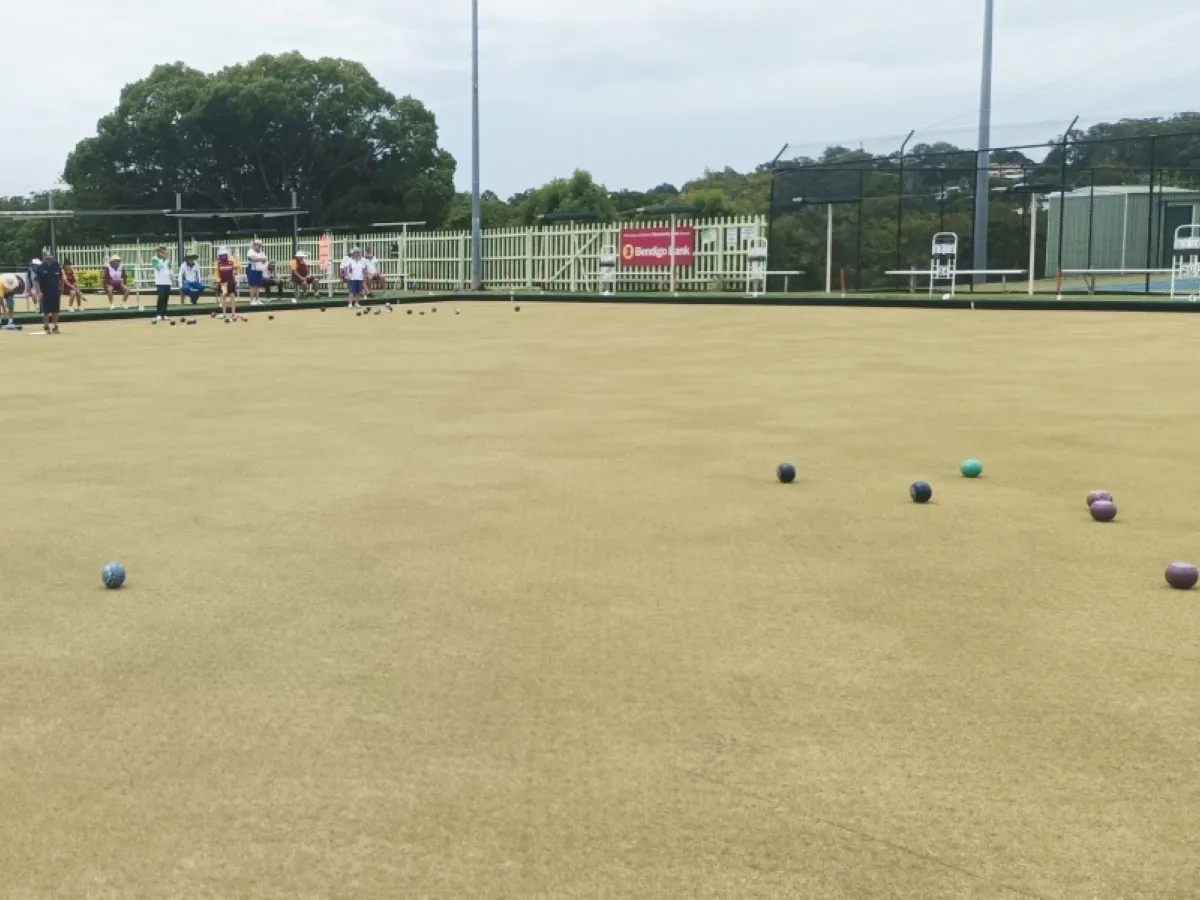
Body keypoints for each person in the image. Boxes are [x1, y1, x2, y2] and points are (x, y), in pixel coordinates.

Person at [34, 251, 63, 334]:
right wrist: (39, 292)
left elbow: (61, 278)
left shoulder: (56, 265)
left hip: (55, 291)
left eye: (50, 258)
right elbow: (37, 281)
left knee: (55, 310)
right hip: (45, 292)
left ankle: (55, 326)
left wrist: (61, 288)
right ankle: (46, 325)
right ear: (44, 258)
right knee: (46, 311)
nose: (49, 259)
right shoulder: (40, 268)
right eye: (47, 258)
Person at [213, 247, 242, 320]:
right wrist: (219, 281)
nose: (223, 256)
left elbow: (239, 265)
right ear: (219, 255)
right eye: (221, 255)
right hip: (223, 282)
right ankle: (224, 314)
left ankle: (233, 314)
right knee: (223, 297)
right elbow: (216, 274)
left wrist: (236, 272)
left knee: (232, 296)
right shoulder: (218, 263)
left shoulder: (231, 260)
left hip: (231, 281)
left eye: (224, 254)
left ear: (226, 254)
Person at [150, 244, 174, 322]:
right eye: (161, 250)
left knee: (166, 298)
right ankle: (158, 314)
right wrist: (161, 260)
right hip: (160, 281)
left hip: (167, 281)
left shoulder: (167, 260)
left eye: (164, 250)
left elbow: (170, 268)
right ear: (158, 251)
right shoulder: (154, 259)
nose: (163, 252)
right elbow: (158, 268)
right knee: (161, 297)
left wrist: (171, 276)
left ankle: (164, 314)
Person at [246, 239, 268, 305]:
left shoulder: (261, 252)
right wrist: (261, 259)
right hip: (252, 269)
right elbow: (253, 259)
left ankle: (258, 299)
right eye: (259, 246)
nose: (260, 247)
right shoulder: (250, 251)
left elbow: (264, 260)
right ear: (255, 245)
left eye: (261, 246)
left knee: (258, 286)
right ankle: (251, 300)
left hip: (259, 269)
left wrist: (262, 259)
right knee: (252, 286)